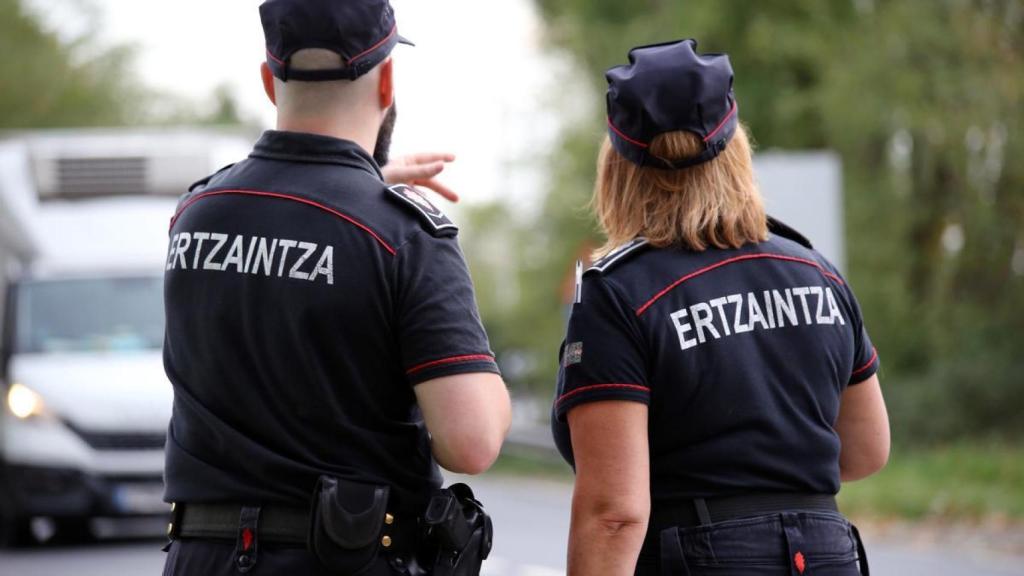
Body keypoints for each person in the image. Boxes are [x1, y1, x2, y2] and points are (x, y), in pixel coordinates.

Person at [161, 1, 511, 574]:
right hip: (340, 558)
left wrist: (359, 189)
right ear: (388, 80)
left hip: (200, 556)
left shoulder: (194, 212)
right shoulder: (405, 235)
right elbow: (470, 442)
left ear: (269, 82)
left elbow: (282, 232)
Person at [551, 39, 890, 576]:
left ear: (616, 168)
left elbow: (614, 513)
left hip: (699, 555)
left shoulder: (618, 293)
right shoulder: (817, 271)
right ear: (736, 151)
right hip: (826, 552)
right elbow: (866, 450)